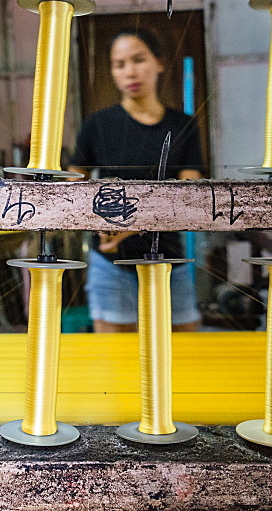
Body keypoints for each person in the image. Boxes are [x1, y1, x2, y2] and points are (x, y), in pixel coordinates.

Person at [69, 28, 204, 333]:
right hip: (111, 266)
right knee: (117, 364)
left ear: (159, 63)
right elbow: (72, 191)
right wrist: (97, 221)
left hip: (171, 262)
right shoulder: (98, 126)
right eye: (119, 64)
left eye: (138, 59)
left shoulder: (182, 126)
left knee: (188, 358)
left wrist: (134, 223)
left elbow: (189, 197)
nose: (130, 71)